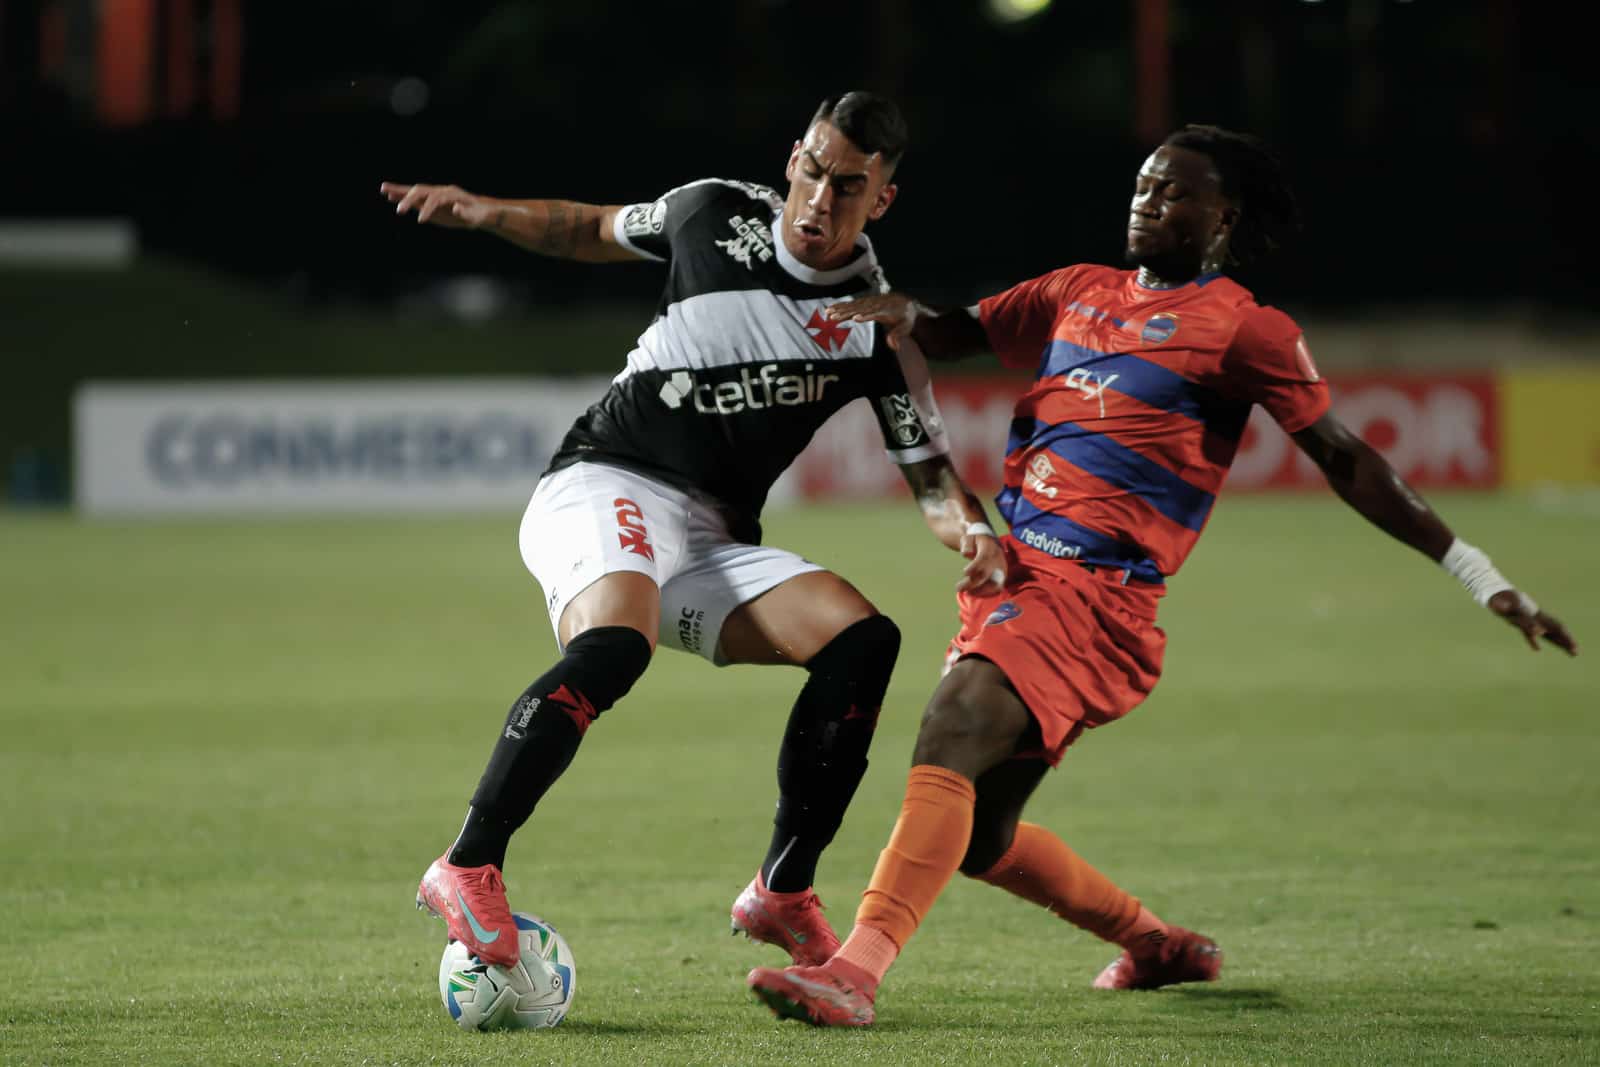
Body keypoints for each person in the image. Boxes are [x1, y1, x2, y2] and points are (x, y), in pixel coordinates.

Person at [746, 123, 1579, 1027]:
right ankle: (1156, 942)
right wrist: (899, 312)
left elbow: (1348, 461)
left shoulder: (1243, 329)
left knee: (954, 723)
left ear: (1223, 217)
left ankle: (855, 972)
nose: (1149, 202)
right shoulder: (1078, 290)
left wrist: (1476, 570)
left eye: (1175, 192)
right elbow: (957, 333)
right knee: (981, 836)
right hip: (1017, 583)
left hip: (1096, 597)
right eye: (1144, 185)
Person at [379, 92, 1008, 971]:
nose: (821, 201)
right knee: (613, 648)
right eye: (815, 172)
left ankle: (783, 888)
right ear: (794, 158)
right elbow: (590, 228)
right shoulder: (710, 210)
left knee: (863, 642)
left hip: (711, 534)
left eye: (849, 187)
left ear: (882, 201)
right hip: (604, 477)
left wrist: (973, 536)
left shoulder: (877, 325)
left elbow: (932, 478)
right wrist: (486, 213)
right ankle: (467, 862)